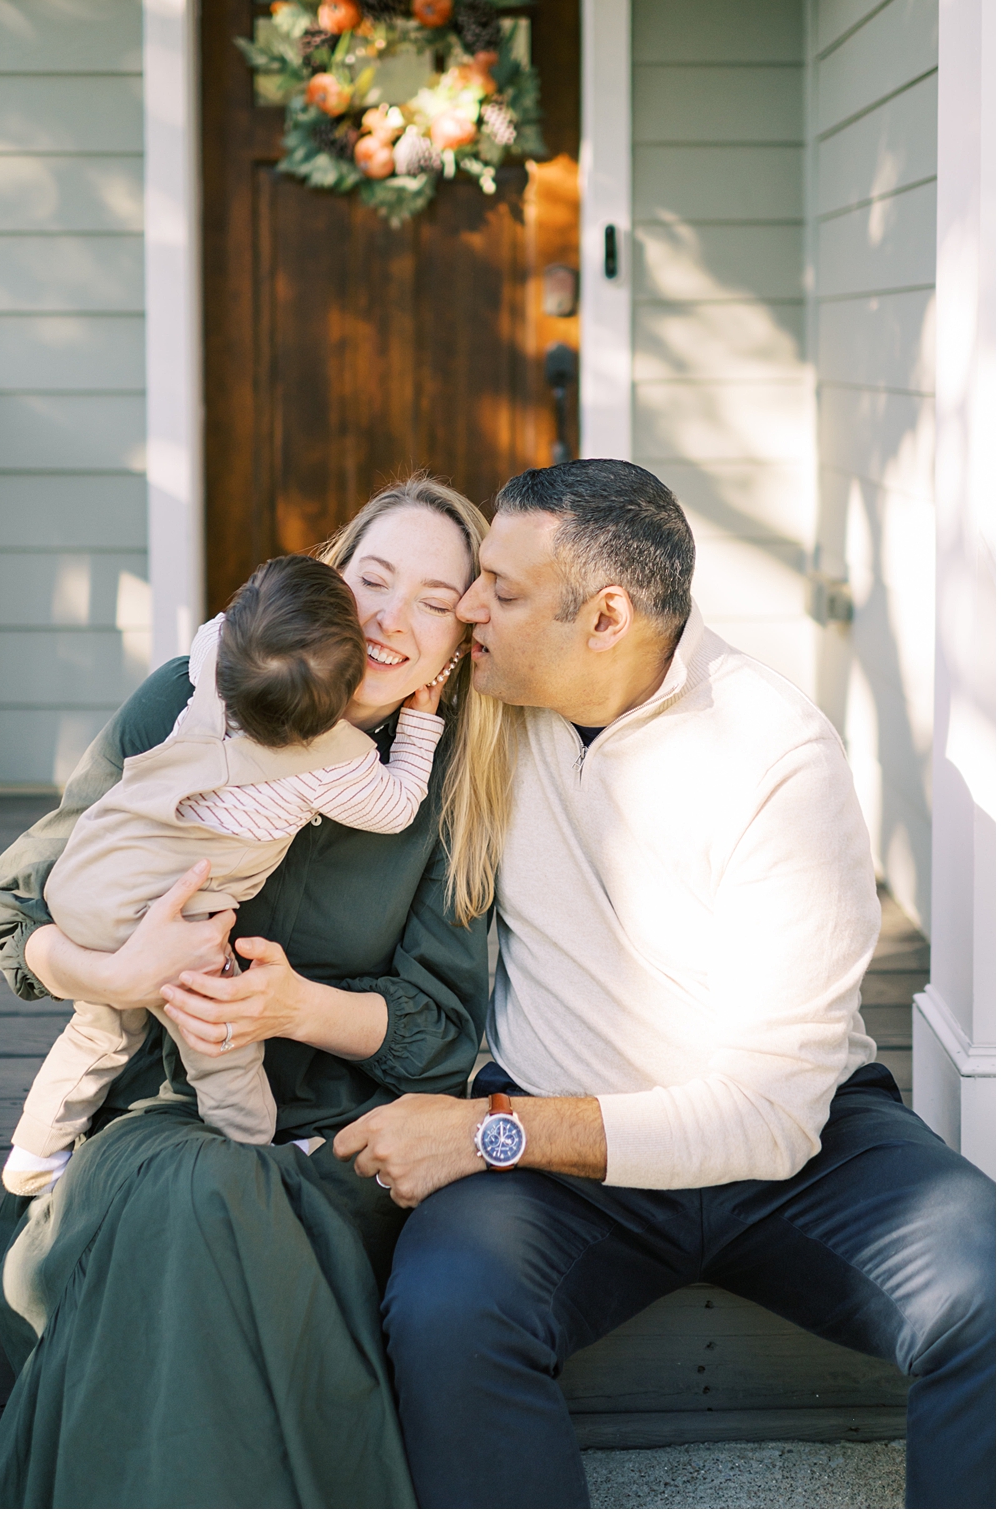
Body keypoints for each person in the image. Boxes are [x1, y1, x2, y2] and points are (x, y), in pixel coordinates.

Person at [335, 459, 996, 1512]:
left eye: (501, 592)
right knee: (447, 1310)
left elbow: (769, 1117)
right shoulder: (489, 694)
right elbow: (301, 682)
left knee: (985, 1275)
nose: (467, 609)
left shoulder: (777, 755)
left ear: (606, 618)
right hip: (561, 1166)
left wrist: (489, 1131)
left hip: (792, 1153)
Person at [0, 476, 513, 1510]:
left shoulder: (447, 782)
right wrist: (116, 975)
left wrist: (292, 1008)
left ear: (458, 642)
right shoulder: (200, 689)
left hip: (343, 1144)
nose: (391, 620)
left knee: (229, 1205)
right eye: (372, 578)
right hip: (163, 1104)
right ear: (326, 579)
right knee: (201, 1192)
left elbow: (442, 1038)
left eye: (436, 600)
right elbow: (14, 908)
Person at [5, 553, 453, 1195]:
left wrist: (272, 606)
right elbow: (398, 803)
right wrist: (419, 723)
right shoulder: (332, 760)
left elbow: (230, 623)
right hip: (164, 915)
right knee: (221, 1040)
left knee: (100, 1029)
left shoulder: (214, 664)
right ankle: (254, 1150)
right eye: (368, 587)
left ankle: (32, 1151)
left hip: (89, 872)